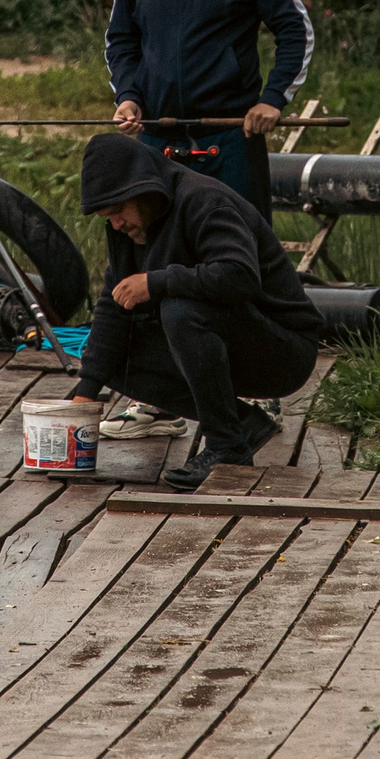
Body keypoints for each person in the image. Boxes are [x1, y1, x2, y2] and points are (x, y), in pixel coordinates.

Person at [100, 0, 313, 440]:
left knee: (237, 266)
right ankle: (164, 395)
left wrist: (272, 99)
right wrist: (128, 95)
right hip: (158, 141)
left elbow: (295, 30)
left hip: (229, 138)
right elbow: (121, 40)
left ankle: (251, 385)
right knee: (149, 266)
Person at [67, 131, 323, 491]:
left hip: (283, 350)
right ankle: (244, 425)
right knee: (110, 358)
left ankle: (226, 446)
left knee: (180, 310)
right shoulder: (129, 229)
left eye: (118, 212)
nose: (116, 224)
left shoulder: (205, 201)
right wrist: (84, 396)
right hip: (229, 341)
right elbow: (114, 304)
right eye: (106, 218)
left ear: (142, 193)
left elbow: (239, 277)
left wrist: (155, 283)